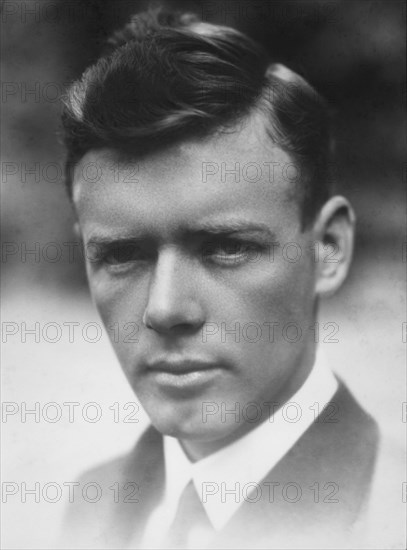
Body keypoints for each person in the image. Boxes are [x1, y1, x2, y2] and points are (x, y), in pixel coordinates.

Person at [59, 6, 404, 549]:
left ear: (328, 249)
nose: (165, 309)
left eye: (226, 247)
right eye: (123, 255)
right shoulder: (88, 505)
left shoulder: (392, 512)